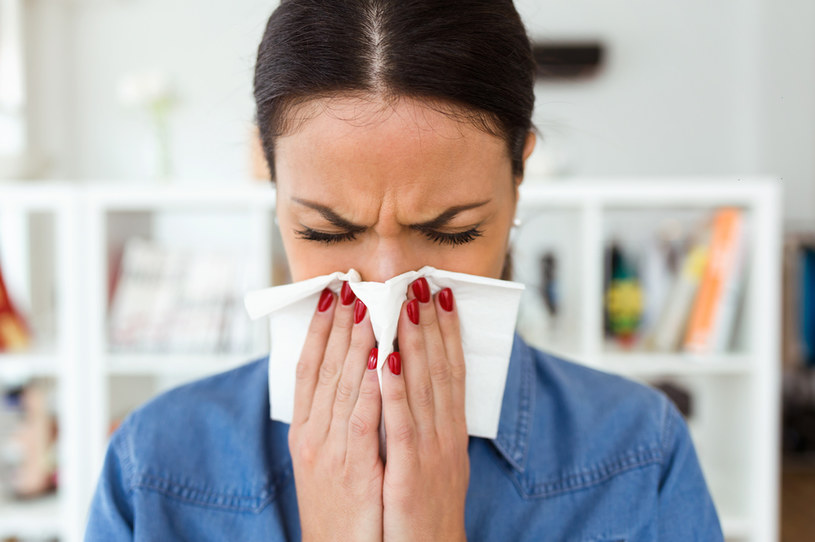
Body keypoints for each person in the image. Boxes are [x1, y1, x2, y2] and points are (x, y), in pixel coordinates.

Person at [84, 1, 724, 540]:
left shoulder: (640, 457)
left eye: (453, 231)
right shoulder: (153, 471)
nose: (386, 286)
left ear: (520, 174)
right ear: (272, 185)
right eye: (327, 232)